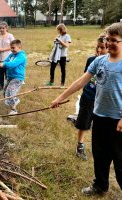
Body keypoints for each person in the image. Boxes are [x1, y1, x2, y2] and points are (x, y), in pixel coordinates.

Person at [51, 22, 122, 196]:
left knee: (120, 160)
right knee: (99, 154)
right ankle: (100, 185)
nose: (109, 43)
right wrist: (61, 97)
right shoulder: (99, 61)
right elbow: (80, 82)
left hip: (118, 122)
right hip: (99, 116)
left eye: (114, 40)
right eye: (107, 39)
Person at [75, 34, 108, 160]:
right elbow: (85, 78)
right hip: (89, 96)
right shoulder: (91, 60)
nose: (99, 50)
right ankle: (80, 145)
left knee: (101, 126)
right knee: (84, 123)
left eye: (102, 48)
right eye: (98, 47)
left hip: (103, 100)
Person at [0, 39, 27, 115]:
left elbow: (13, 64)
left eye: (13, 48)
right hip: (10, 76)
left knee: (11, 92)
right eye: (11, 48)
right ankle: (13, 102)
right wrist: (3, 63)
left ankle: (14, 109)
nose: (11, 50)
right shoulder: (12, 55)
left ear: (19, 46)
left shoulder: (21, 56)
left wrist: (4, 64)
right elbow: (6, 61)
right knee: (5, 92)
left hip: (17, 78)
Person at [0, 21, 15, 90]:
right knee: (0, 73)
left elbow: (13, 46)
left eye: (3, 28)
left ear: (6, 28)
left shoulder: (10, 36)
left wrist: (3, 49)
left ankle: (9, 87)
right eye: (0, 28)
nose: (1, 29)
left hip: (7, 58)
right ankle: (0, 87)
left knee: (7, 73)